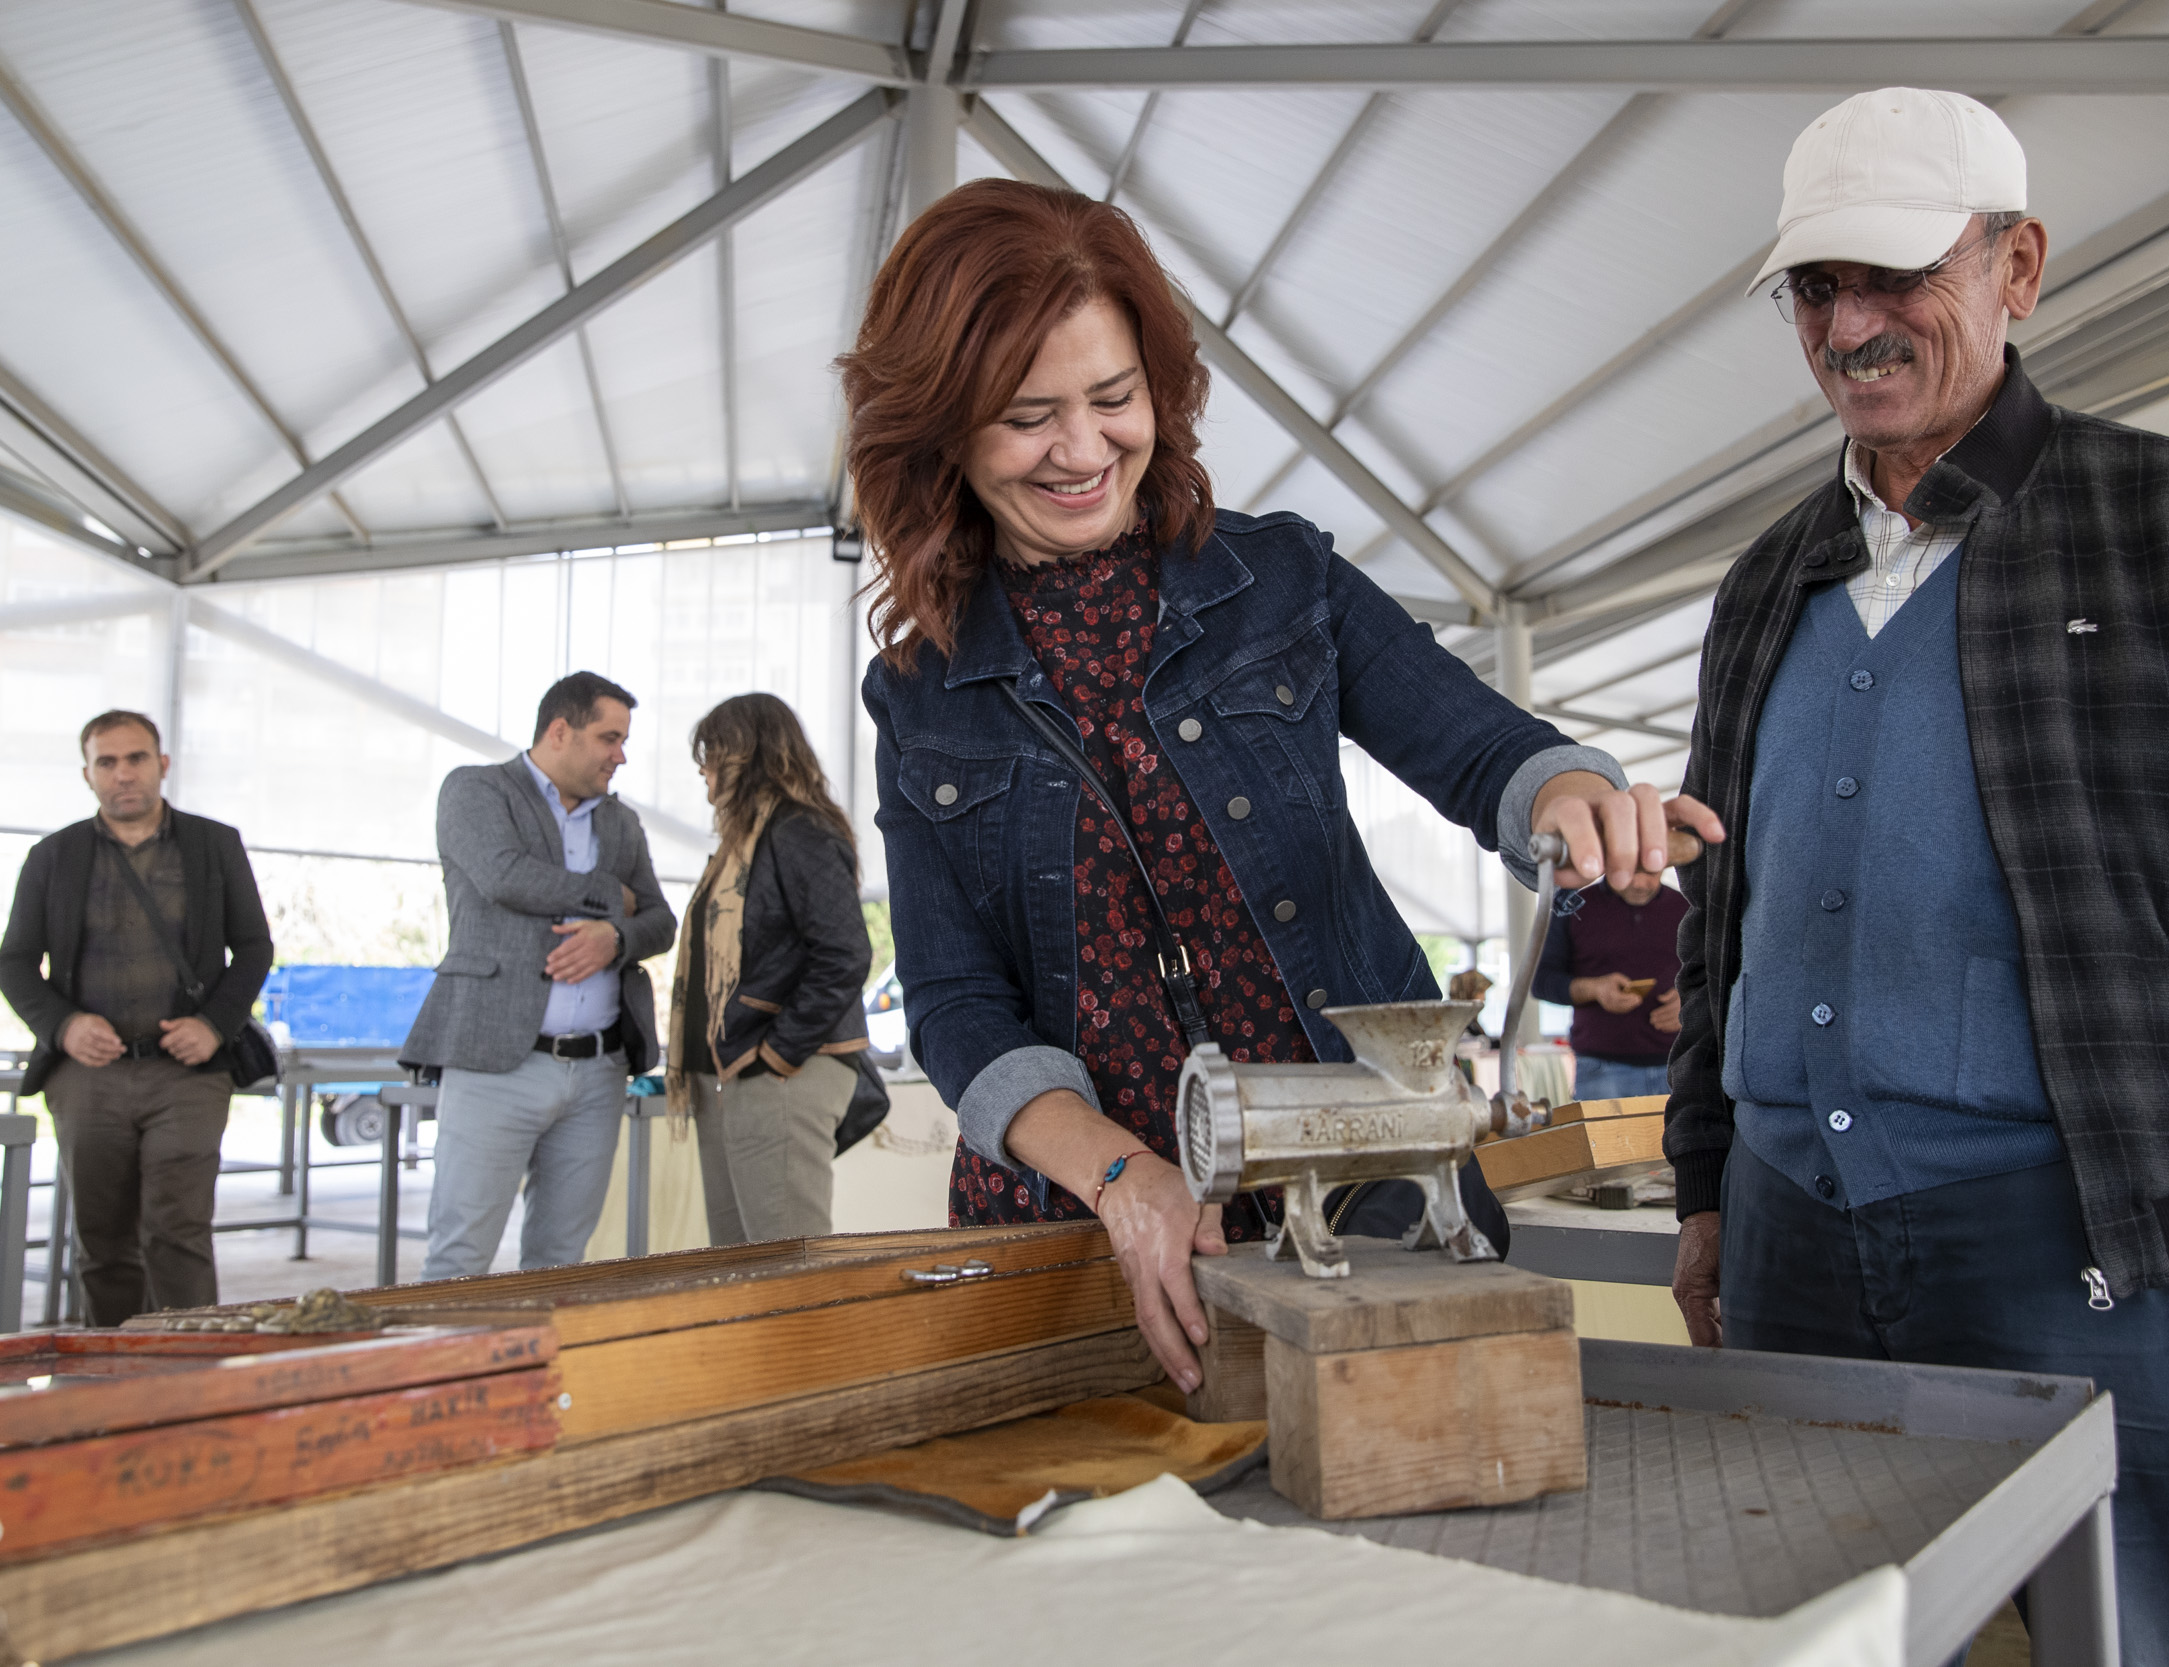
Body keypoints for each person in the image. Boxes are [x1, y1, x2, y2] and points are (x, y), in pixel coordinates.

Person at [1663, 89, 2169, 1665]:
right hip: (1793, 1222)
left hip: (2077, 1235)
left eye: (1893, 276)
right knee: (1819, 1621)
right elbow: (1720, 918)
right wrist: (1707, 1176)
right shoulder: (1762, 583)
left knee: (2146, 1626)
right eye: (1815, 289)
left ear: (2019, 266)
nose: (1851, 323)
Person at [852, 179, 1722, 1392]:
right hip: (1087, 1234)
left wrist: (1567, 798)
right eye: (1025, 416)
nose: (1082, 449)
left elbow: (1479, 747)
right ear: (941, 429)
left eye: (1114, 399)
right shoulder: (920, 693)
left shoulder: (1280, 581)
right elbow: (953, 1004)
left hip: (1368, 1197)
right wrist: (1122, 1175)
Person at [402, 672, 677, 1279]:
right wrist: (615, 898)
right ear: (560, 731)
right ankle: (447, 1376)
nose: (621, 755)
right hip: (496, 1062)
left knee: (562, 1263)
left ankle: (545, 1377)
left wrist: (615, 938)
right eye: (610, 738)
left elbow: (662, 921)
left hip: (599, 1072)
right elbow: (506, 876)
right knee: (460, 1257)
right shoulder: (476, 791)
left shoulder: (621, 822)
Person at [0, 710, 272, 1324]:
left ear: (162, 765)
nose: (124, 774)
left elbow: (254, 947)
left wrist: (215, 1024)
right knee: (102, 1243)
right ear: (88, 774)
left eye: (137, 758)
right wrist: (64, 1025)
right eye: (108, 762)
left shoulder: (214, 844)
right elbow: (14, 961)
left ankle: (190, 1389)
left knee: (179, 1234)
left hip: (188, 1074)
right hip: (88, 1077)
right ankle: (112, 1383)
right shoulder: (53, 856)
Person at [667, 692, 879, 1244]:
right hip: (736, 1068)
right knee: (739, 1263)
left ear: (746, 753)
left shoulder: (798, 829)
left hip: (784, 1070)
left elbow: (845, 953)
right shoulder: (741, 842)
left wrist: (780, 1052)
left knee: (788, 1265)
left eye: (712, 754)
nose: (704, 771)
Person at [1530, 877, 1687, 1102]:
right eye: (1633, 870)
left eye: (1650, 871)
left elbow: (1718, 976)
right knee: (1600, 1139)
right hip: (1601, 1069)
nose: (1641, 884)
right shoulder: (1572, 906)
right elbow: (1541, 982)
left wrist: (1690, 1002)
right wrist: (1594, 989)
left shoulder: (1687, 907)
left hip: (1679, 1065)